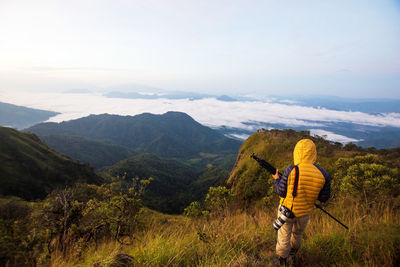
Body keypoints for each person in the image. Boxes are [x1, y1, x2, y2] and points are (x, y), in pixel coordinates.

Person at [272, 139, 330, 266]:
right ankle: (293, 254)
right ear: (314, 153)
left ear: (296, 153)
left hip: (287, 212)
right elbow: (324, 198)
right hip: (305, 213)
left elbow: (281, 192)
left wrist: (277, 180)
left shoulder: (291, 170)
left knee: (284, 235)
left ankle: (283, 260)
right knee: (297, 234)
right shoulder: (323, 173)